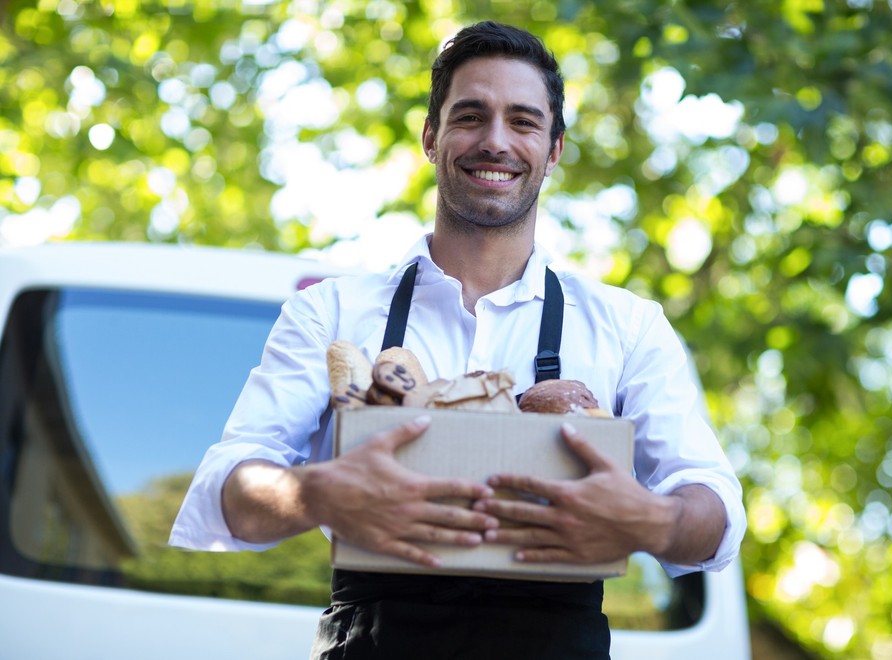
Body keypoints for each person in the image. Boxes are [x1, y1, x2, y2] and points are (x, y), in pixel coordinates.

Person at [170, 20, 745, 659]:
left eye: (524, 122)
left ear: (554, 149)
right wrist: (316, 491)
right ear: (430, 136)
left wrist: (652, 520)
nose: (495, 141)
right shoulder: (330, 312)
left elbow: (711, 503)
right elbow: (229, 482)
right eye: (470, 116)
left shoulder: (629, 327)